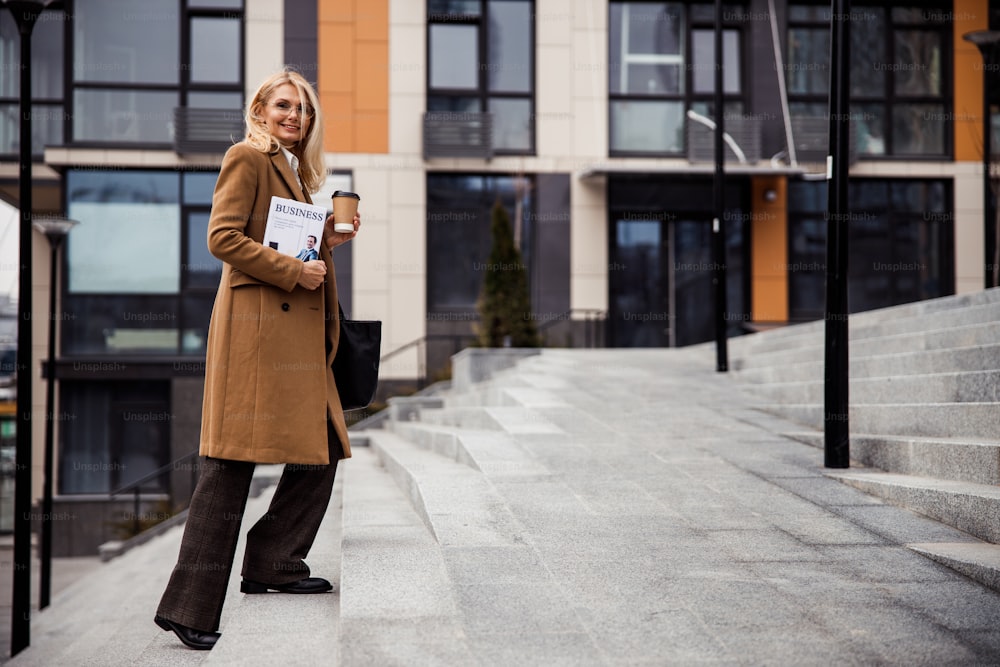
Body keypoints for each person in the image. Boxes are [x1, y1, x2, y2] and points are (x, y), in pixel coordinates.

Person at [153, 68, 361, 651]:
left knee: (324, 444)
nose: (294, 116)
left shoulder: (292, 169)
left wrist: (326, 242)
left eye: (303, 109)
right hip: (256, 337)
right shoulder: (246, 156)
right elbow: (222, 238)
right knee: (230, 463)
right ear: (260, 110)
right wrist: (300, 269)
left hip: (292, 339)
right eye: (283, 105)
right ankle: (187, 606)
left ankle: (274, 560)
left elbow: (272, 240)